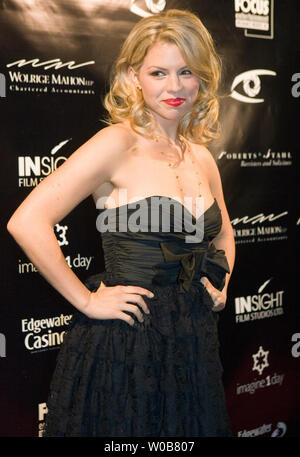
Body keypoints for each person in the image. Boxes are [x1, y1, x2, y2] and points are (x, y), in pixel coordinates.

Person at [7, 9, 235, 437]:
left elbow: (222, 231)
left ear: (202, 78)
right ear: (133, 76)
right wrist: (88, 300)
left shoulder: (201, 155)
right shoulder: (116, 142)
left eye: (186, 71)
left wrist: (221, 283)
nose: (174, 86)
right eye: (158, 72)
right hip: (126, 341)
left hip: (192, 338)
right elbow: (28, 220)